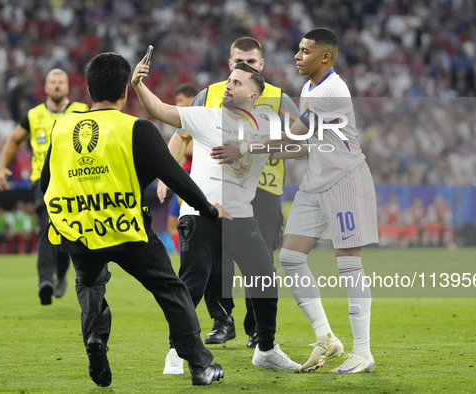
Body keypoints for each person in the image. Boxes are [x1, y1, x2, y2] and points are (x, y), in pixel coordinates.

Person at [40, 52, 224, 387]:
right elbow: (176, 177)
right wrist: (208, 209)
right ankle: (200, 364)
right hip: (127, 229)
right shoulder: (136, 129)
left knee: (91, 283)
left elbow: (45, 183)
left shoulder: (61, 128)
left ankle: (95, 339)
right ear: (126, 90)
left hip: (80, 231)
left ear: (88, 88)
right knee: (171, 290)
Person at [216, 28, 378, 374]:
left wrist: (245, 146)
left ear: (325, 57)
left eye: (305, 51)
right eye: (298, 49)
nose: (296, 56)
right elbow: (304, 146)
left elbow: (297, 134)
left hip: (344, 180)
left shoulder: (332, 90)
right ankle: (327, 337)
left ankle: (363, 351)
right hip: (315, 182)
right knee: (289, 257)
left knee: (349, 264)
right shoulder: (308, 87)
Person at [133, 56, 303, 373]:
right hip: (200, 215)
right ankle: (176, 352)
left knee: (265, 281)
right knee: (192, 285)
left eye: (237, 82)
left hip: (242, 217)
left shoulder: (266, 123)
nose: (229, 85)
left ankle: (266, 349)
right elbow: (159, 110)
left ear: (254, 94)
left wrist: (249, 147)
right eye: (229, 80)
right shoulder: (205, 117)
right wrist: (139, 85)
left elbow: (301, 144)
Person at [0, 69, 90, 305]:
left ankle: (59, 273)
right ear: (46, 88)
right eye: (53, 82)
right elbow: (14, 139)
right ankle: (45, 281)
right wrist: (1, 168)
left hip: (72, 181)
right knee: (48, 224)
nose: (57, 86)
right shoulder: (34, 115)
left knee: (66, 231)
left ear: (67, 87)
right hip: (43, 181)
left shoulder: (81, 110)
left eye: (61, 82)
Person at [157, 84, 197, 253]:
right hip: (185, 176)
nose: (178, 105)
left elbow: (193, 149)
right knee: (173, 226)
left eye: (180, 100)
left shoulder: (199, 119)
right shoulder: (187, 123)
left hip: (194, 178)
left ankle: (191, 260)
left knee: (179, 225)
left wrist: (174, 145)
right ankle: (186, 260)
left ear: (192, 99)